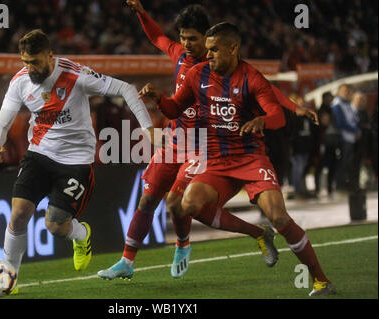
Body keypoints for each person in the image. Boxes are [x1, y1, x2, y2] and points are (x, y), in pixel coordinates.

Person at [140, 22, 335, 296]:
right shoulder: (198, 75)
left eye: (214, 50)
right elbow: (174, 109)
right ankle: (259, 233)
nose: (207, 56)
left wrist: (261, 121)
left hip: (250, 160)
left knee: (278, 216)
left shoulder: (252, 78)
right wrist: (159, 99)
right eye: (206, 50)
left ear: (233, 48)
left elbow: (277, 116)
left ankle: (320, 280)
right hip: (218, 160)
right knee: (189, 204)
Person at [98, 1, 280, 281]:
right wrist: (142, 14)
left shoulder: (220, 68)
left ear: (207, 37)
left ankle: (187, 244)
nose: (186, 43)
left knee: (176, 202)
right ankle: (126, 261)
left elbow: (253, 90)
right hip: (175, 139)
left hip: (202, 144)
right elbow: (158, 38)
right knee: (147, 201)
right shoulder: (180, 55)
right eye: (183, 37)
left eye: (192, 38)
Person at [0, 29, 155, 293]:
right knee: (19, 214)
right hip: (39, 154)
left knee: (54, 225)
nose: (30, 67)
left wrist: (148, 128)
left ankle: (81, 234)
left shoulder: (76, 75)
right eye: (25, 62)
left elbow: (126, 89)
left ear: (50, 55)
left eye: (35, 61)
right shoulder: (20, 81)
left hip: (76, 161)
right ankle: (9, 278)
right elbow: (2, 122)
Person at [331, 84, 359, 191]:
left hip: (351, 138)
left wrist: (357, 130)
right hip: (343, 138)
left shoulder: (347, 104)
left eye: (348, 90)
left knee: (348, 163)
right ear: (339, 91)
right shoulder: (337, 104)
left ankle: (345, 184)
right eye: (344, 90)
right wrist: (354, 130)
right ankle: (340, 185)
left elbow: (353, 119)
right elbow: (340, 122)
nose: (346, 92)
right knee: (343, 163)